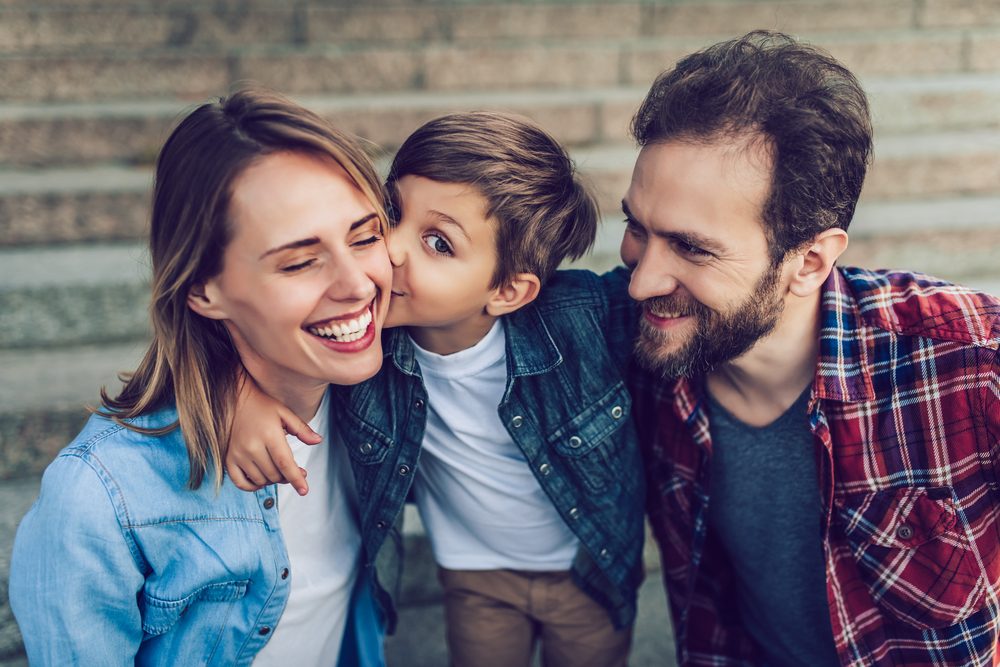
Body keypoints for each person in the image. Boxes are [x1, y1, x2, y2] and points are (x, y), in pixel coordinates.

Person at [624, 30, 1000, 666]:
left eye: (691, 247)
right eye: (636, 227)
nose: (641, 281)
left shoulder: (968, 361)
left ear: (810, 261)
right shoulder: (634, 340)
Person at [227, 111, 645, 667]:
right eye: (392, 213)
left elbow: (673, 295)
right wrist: (238, 391)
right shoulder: (361, 345)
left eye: (438, 243)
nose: (392, 248)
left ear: (507, 291)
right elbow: (252, 318)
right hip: (475, 577)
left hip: (589, 572)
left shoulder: (580, 319)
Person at [8, 87, 393, 666]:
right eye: (299, 261)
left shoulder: (393, 389)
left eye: (365, 237)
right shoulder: (99, 498)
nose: (358, 284)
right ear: (202, 289)